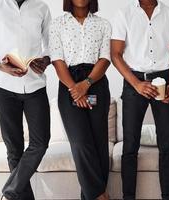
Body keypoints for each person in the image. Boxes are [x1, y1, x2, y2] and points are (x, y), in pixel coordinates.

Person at [0, 0, 52, 199]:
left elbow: (50, 46)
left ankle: (9, 192)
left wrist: (45, 60)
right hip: (4, 87)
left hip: (35, 85)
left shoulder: (41, 7)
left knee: (41, 142)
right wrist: (0, 66)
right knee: (14, 149)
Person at [111, 0, 169, 199]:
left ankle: (168, 196)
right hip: (134, 82)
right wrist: (136, 84)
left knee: (167, 143)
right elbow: (115, 55)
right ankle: (128, 197)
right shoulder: (124, 14)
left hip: (163, 81)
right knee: (130, 144)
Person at [49, 0, 111, 199]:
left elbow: (105, 58)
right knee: (81, 143)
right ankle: (101, 196)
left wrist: (86, 84)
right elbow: (57, 61)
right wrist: (75, 89)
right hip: (69, 85)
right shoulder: (57, 24)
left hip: (96, 83)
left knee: (99, 145)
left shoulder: (103, 24)